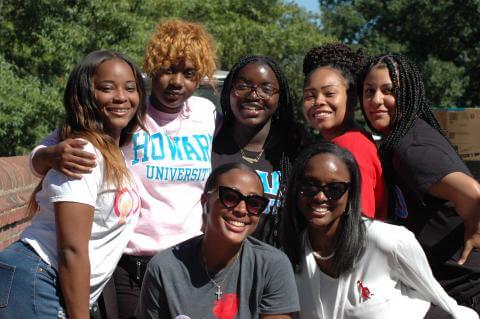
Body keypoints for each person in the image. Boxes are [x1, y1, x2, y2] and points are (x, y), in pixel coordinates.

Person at [29, 20, 217, 318]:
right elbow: (45, 152)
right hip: (129, 265)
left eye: (189, 73)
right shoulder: (128, 113)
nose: (177, 81)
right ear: (153, 68)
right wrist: (50, 155)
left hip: (187, 263)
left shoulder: (206, 114)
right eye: (168, 69)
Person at [0, 50, 146, 318]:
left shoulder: (113, 150)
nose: (121, 97)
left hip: (47, 281)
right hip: (39, 279)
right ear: (86, 95)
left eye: (130, 88)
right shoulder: (82, 154)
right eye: (107, 88)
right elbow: (72, 250)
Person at [280, 142, 478, 319]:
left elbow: (440, 299)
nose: (320, 197)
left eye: (335, 189)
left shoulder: (386, 240)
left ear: (351, 195)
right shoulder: (289, 255)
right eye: (309, 186)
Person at [359, 53, 480, 312]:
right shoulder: (400, 139)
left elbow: (474, 192)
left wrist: (476, 230)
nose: (376, 100)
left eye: (388, 91)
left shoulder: (411, 148)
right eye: (369, 91)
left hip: (469, 288)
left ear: (408, 94)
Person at [136, 162, 300, 319]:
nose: (241, 210)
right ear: (205, 202)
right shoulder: (164, 269)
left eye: (254, 203)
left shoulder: (272, 266)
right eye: (229, 197)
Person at [212, 55, 303, 247]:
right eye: (243, 86)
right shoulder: (210, 142)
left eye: (266, 89)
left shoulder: (294, 151)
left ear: (280, 98)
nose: (253, 95)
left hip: (274, 268)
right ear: (229, 91)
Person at [301, 43, 387, 219]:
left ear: (352, 98)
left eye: (329, 93)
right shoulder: (335, 143)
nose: (318, 101)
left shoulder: (352, 147)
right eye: (310, 95)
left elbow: (361, 222)